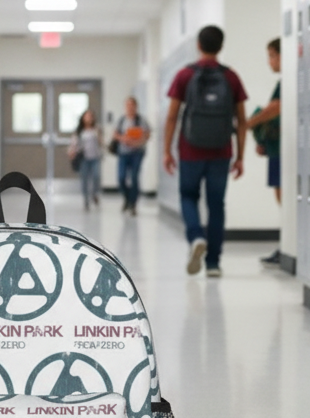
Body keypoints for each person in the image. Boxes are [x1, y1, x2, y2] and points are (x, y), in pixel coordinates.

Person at [163, 24, 247, 278]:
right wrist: (240, 156)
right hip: (221, 151)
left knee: (188, 196)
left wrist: (167, 150)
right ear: (220, 47)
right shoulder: (231, 77)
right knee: (216, 205)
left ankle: (196, 237)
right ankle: (213, 264)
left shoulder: (184, 75)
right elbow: (241, 121)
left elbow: (172, 117)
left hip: (190, 150)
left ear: (198, 45)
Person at [246, 38, 282, 264]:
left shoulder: (287, 82)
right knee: (282, 198)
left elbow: (275, 108)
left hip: (282, 151)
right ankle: (286, 244)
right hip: (276, 148)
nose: (270, 61)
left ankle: (289, 246)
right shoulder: (283, 82)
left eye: (272, 55)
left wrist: (249, 124)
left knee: (283, 197)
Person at [112, 97, 151, 215]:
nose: (130, 107)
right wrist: (123, 139)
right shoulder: (121, 120)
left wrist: (138, 142)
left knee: (134, 177)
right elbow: (115, 134)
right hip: (123, 153)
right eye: (127, 105)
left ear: (136, 106)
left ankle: (133, 204)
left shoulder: (141, 120)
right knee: (121, 177)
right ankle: (127, 198)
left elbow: (147, 135)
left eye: (132, 105)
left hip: (137, 153)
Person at [70, 109, 102, 210]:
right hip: (83, 158)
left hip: (95, 157)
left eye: (90, 116)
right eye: (87, 116)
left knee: (96, 176)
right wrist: (72, 152)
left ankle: (94, 193)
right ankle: (86, 200)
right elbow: (74, 143)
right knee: (84, 179)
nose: (89, 118)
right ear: (83, 118)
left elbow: (101, 142)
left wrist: (99, 136)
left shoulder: (96, 129)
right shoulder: (79, 131)